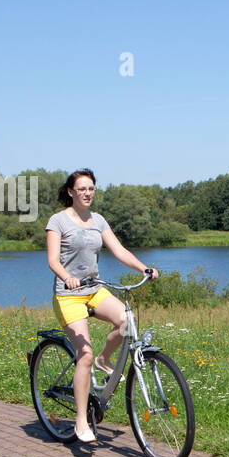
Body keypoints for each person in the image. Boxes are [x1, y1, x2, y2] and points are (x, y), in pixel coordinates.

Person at [45, 169, 157, 443]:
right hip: (69, 294)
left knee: (127, 322)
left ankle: (104, 360)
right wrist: (67, 277)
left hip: (94, 289)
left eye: (91, 188)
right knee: (83, 354)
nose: (87, 193)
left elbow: (119, 251)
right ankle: (81, 420)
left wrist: (144, 268)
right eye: (82, 188)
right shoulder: (57, 221)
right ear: (71, 192)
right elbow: (52, 260)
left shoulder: (98, 220)